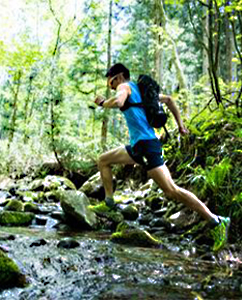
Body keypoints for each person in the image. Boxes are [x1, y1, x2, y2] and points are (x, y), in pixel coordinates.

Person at [94, 63, 230, 252]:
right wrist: (180, 126)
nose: (110, 85)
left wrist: (103, 102)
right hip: (138, 147)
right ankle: (109, 203)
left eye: (110, 81)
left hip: (147, 147)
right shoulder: (141, 91)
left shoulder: (124, 87)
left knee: (171, 190)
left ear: (118, 77)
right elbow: (169, 100)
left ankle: (217, 221)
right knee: (103, 160)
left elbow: (118, 102)